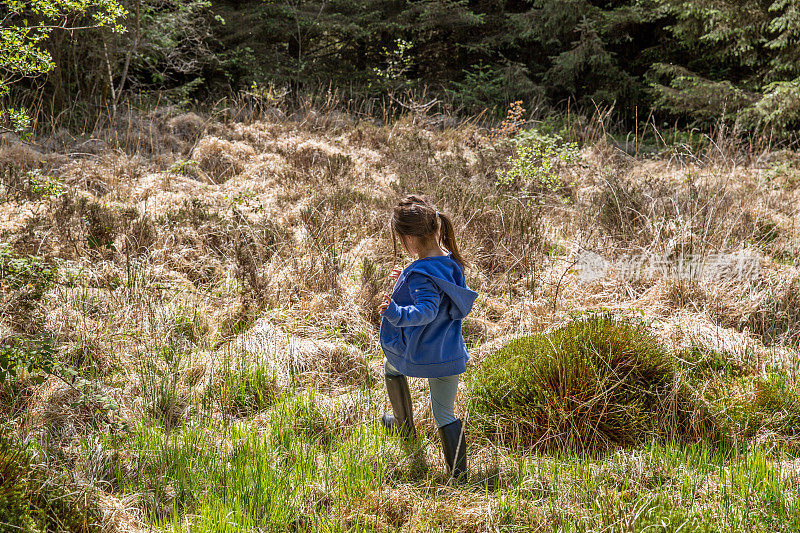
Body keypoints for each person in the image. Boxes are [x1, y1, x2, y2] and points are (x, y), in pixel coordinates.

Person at [377, 195, 477, 479]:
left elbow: (426, 311)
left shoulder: (420, 273)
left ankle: (403, 424)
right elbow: (439, 296)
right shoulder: (451, 263)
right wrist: (404, 280)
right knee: (444, 413)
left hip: (420, 352)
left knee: (391, 366)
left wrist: (395, 312)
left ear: (408, 238)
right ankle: (459, 478)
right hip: (449, 352)